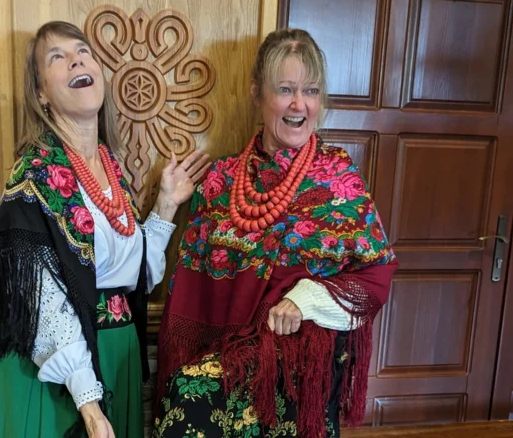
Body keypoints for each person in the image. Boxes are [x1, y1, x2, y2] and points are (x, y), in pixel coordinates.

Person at [153, 28, 398, 438]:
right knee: (186, 392)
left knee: (194, 399)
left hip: (301, 352)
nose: (299, 104)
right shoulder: (224, 177)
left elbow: (376, 277)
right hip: (228, 348)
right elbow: (193, 279)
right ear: (257, 94)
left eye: (311, 90)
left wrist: (307, 300)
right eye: (285, 89)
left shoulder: (338, 176)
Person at [0, 20, 210, 438]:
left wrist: (164, 206)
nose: (76, 59)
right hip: (57, 374)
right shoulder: (34, 176)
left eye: (82, 51)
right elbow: (39, 298)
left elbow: (131, 272)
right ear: (41, 95)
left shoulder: (109, 169)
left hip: (113, 351)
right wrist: (88, 400)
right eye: (57, 57)